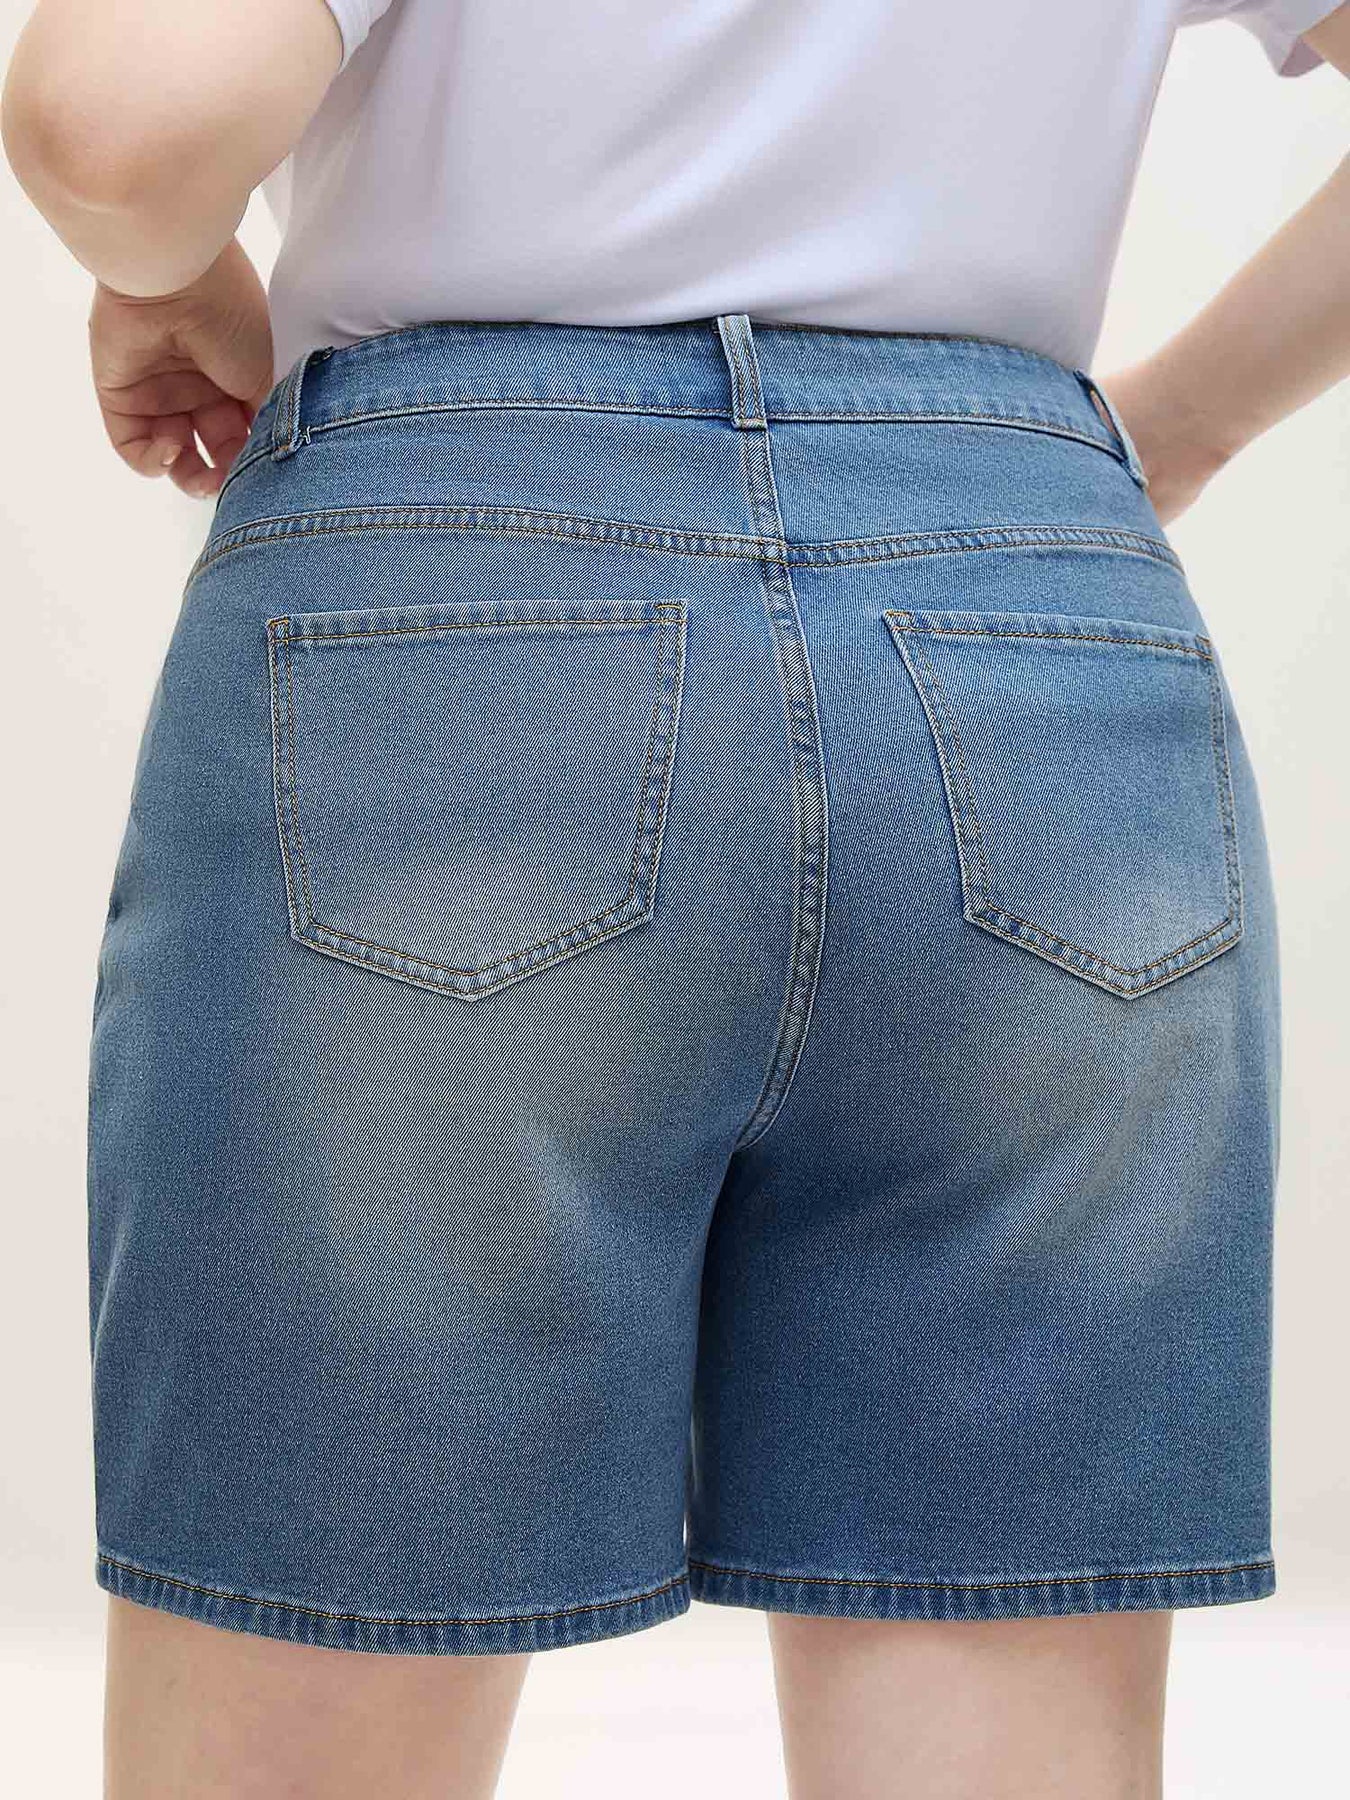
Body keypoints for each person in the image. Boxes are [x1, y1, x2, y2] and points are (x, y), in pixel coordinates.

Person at [4, 3, 1347, 1796]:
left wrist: (170, 281)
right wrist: (1162, 432)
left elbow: (116, 125)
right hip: (1038, 612)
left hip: (459, 616)